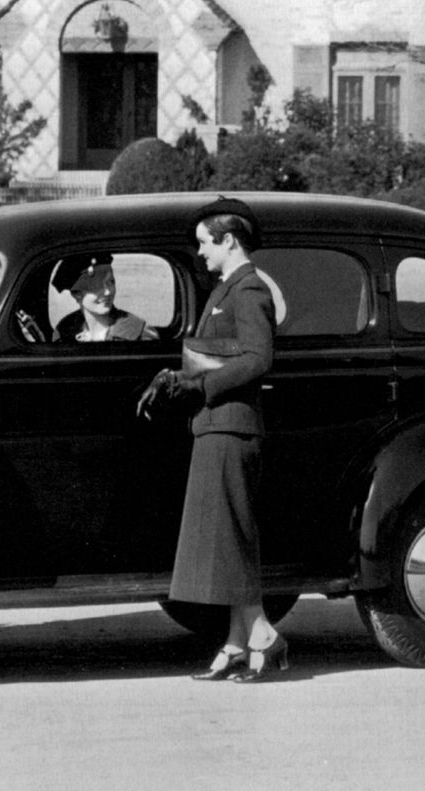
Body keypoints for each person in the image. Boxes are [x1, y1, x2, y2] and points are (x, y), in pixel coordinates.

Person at [137, 197, 286, 683]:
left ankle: (262, 634)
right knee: (226, 541)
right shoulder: (228, 288)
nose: (200, 252)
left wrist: (201, 386)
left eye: (205, 243)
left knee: (233, 539)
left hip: (231, 427)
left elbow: (258, 358)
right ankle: (239, 641)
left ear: (229, 240)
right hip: (216, 428)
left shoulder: (249, 290)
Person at [51, 253, 157, 342]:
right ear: (76, 294)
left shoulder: (139, 332)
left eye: (111, 282)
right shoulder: (64, 332)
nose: (108, 292)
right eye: (97, 286)